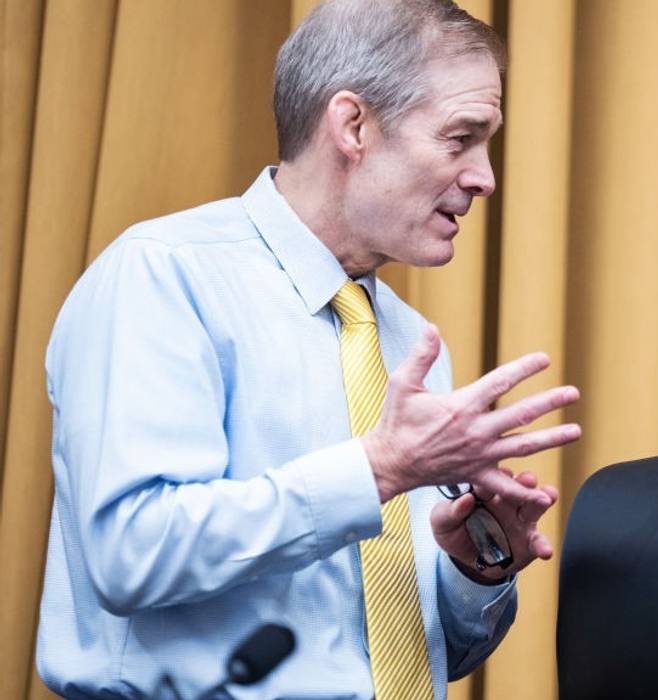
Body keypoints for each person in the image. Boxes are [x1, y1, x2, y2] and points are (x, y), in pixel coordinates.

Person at [36, 1, 579, 698]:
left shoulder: (410, 343)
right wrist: (379, 469)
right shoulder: (162, 274)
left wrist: (478, 566)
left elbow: (399, 654)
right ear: (353, 125)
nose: (484, 177)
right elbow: (131, 553)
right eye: (460, 138)